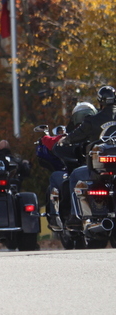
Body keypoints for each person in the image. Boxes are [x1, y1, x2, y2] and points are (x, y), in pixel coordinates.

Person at [63, 85, 116, 226]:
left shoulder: (93, 120)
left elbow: (75, 135)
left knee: (74, 175)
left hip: (99, 171)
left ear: (100, 102)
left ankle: (75, 215)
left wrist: (65, 140)